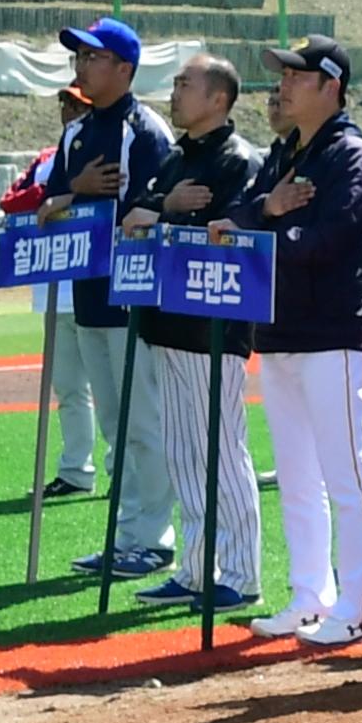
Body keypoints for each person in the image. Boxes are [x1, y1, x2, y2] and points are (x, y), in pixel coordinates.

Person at [219, 38, 362, 645]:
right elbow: (236, 213)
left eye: (297, 74)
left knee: (347, 475)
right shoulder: (285, 150)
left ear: (331, 85)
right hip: (283, 333)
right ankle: (311, 594)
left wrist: (263, 228)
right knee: (296, 478)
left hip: (332, 335)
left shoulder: (350, 154)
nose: (283, 84)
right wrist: (270, 207)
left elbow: (329, 241)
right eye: (282, 74)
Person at [122, 56, 261, 614]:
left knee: (221, 450)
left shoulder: (238, 159)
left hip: (214, 326)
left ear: (219, 99)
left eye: (186, 84)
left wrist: (162, 217)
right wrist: (165, 210)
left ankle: (242, 572)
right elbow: (134, 217)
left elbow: (228, 235)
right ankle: (197, 569)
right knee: (183, 453)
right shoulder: (176, 157)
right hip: (167, 321)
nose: (175, 93)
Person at [43, 19, 176, 580]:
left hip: (135, 300)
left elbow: (164, 208)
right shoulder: (75, 136)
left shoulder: (144, 132)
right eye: (79, 57)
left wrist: (112, 206)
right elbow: (47, 207)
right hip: (88, 293)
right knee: (116, 427)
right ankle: (127, 533)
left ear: (124, 68)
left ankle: (154, 536)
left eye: (93, 57)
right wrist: (78, 192)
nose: (81, 66)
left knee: (144, 423)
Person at [0, 87, 98, 499]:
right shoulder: (46, 159)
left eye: (77, 105)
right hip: (53, 287)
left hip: (95, 285)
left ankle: (126, 471)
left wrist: (70, 193)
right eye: (66, 104)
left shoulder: (104, 151)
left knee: (114, 390)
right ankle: (76, 470)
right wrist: (60, 191)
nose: (69, 111)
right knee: (69, 386)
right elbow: (11, 201)